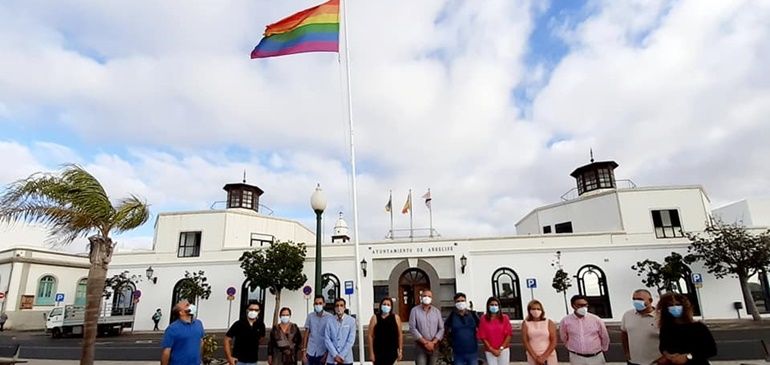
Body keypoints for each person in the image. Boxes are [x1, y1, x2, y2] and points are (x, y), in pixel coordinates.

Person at [657, 292, 716, 365]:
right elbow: (663, 347)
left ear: (684, 306)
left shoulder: (698, 327)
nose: (675, 307)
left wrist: (688, 357)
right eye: (670, 305)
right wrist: (667, 356)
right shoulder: (665, 328)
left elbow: (711, 350)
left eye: (678, 304)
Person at [559, 295, 610, 365]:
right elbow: (563, 337)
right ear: (573, 306)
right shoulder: (565, 321)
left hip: (596, 357)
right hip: (576, 357)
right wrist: (571, 347)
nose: (584, 307)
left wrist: (603, 349)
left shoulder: (596, 320)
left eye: (585, 305)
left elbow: (604, 336)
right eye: (580, 305)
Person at [621, 289, 661, 365]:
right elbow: (624, 334)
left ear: (650, 300)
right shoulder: (628, 315)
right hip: (633, 362)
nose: (636, 302)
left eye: (640, 299)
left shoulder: (661, 317)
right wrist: (627, 353)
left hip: (655, 362)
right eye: (634, 299)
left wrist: (664, 359)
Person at [161, 300, 205, 365]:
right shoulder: (172, 329)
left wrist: (200, 360)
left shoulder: (199, 324)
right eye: (187, 305)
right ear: (181, 312)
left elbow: (201, 343)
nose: (191, 306)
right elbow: (166, 352)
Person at [409, 289, 444, 365]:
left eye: (429, 296)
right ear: (421, 297)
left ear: (432, 298)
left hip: (434, 346)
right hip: (420, 346)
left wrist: (433, 342)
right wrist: (425, 343)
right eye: (424, 296)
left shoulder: (436, 311)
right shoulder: (414, 311)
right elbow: (412, 328)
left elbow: (441, 328)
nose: (427, 297)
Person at [445, 292, 480, 365]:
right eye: (458, 301)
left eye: (462, 300)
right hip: (458, 354)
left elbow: (481, 327)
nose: (460, 303)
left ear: (466, 301)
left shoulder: (473, 314)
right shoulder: (452, 316)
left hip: (472, 352)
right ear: (455, 303)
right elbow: (445, 331)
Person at [477, 296, 512, 365]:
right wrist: (491, 349)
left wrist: (501, 349)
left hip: (503, 350)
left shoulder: (505, 318)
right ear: (488, 306)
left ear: (499, 306)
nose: (494, 306)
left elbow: (509, 335)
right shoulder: (483, 319)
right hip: (490, 351)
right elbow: (483, 336)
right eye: (492, 305)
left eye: (496, 305)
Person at [368, 297, 403, 365]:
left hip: (392, 351)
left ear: (391, 307)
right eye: (384, 304)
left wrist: (400, 350)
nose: (386, 306)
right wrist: (371, 353)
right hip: (378, 351)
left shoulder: (396, 318)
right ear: (381, 305)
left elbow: (400, 335)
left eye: (388, 305)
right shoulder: (375, 318)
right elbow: (370, 336)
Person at [522, 299, 558, 365]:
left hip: (549, 355)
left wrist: (544, 357)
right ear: (529, 310)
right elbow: (525, 341)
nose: (536, 311)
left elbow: (553, 341)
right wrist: (535, 357)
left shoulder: (549, 322)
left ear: (542, 310)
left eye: (538, 309)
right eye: (533, 309)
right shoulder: (526, 323)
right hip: (533, 355)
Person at [324, 297, 357, 365]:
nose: (339, 308)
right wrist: (335, 355)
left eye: (341, 305)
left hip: (346, 359)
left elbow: (350, 340)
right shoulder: (329, 321)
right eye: (337, 305)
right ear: (334, 308)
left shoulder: (351, 321)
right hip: (332, 358)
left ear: (344, 307)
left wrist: (341, 356)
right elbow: (327, 339)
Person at [303, 295, 332, 365]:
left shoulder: (330, 317)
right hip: (310, 352)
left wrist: (326, 354)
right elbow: (306, 334)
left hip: (322, 352)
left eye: (320, 303)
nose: (318, 305)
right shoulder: (310, 316)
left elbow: (331, 337)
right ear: (313, 304)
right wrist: (304, 352)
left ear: (324, 304)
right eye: (316, 303)